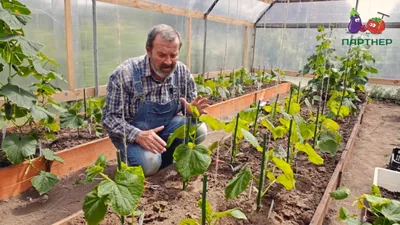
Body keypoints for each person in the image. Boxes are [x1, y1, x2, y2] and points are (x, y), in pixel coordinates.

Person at [102, 24, 209, 177]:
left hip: (165, 130)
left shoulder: (182, 72)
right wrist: (138, 135)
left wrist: (192, 111)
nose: (168, 61)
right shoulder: (125, 74)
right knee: (149, 164)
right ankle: (144, 160)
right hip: (134, 137)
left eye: (173, 55)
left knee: (199, 129)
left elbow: (189, 107)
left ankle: (164, 159)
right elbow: (109, 118)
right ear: (148, 50)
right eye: (162, 55)